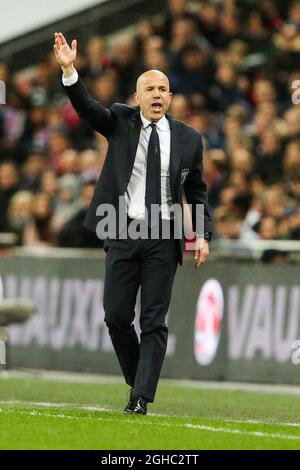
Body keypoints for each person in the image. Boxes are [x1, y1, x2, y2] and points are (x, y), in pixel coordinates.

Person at [53, 32, 213, 415]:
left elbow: (199, 191)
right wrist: (70, 70)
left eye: (164, 89)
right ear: (137, 97)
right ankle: (137, 379)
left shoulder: (189, 139)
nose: (157, 95)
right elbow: (88, 108)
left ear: (170, 98)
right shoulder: (120, 121)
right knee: (116, 316)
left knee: (154, 320)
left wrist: (202, 235)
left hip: (163, 236)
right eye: (150, 89)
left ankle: (141, 398)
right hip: (122, 231)